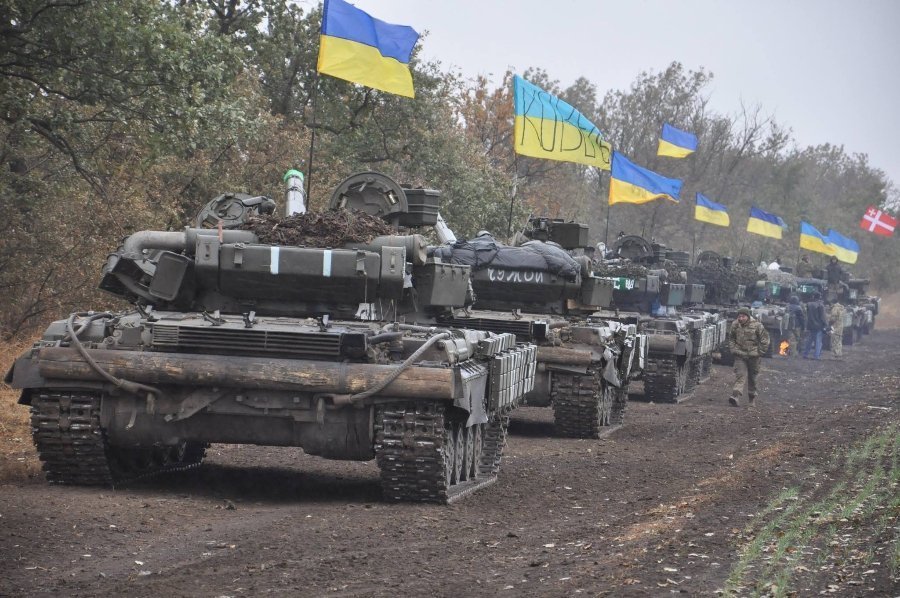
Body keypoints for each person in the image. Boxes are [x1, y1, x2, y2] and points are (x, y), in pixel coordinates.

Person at [728, 307, 770, 407]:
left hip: (754, 356)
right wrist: (733, 349)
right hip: (740, 354)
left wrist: (760, 352)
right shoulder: (735, 325)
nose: (741, 318)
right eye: (739, 316)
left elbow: (765, 340)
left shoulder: (757, 325)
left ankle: (752, 398)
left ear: (748, 316)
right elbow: (731, 338)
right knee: (740, 375)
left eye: (743, 316)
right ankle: (735, 396)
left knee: (753, 378)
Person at [802, 291, 828, 359]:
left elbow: (806, 314)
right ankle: (816, 356)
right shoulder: (820, 305)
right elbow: (823, 317)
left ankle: (805, 354)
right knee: (818, 341)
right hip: (819, 326)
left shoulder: (808, 304)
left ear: (813, 297)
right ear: (820, 297)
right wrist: (826, 325)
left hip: (810, 325)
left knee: (809, 341)